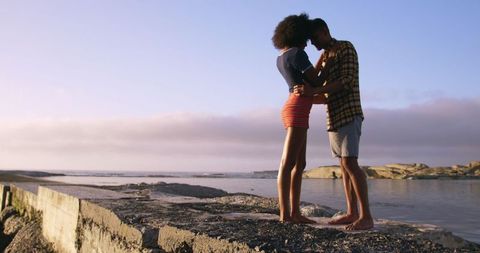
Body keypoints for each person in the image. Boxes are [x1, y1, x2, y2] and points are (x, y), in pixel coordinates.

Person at [295, 18, 374, 230]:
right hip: (334, 116)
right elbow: (322, 87)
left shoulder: (345, 47)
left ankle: (366, 216)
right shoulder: (326, 55)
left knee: (350, 164)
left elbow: (347, 81)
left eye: (314, 38)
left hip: (349, 113)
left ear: (324, 31)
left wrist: (314, 91)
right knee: (343, 165)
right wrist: (306, 95)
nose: (313, 43)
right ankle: (351, 212)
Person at [272, 13, 327, 224]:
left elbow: (308, 85)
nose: (307, 42)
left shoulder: (282, 57)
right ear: (299, 34)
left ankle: (295, 213)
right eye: (306, 37)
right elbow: (317, 81)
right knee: (288, 163)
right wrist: (324, 61)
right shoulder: (297, 54)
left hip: (296, 106)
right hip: (297, 109)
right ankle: (286, 215)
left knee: (300, 163)